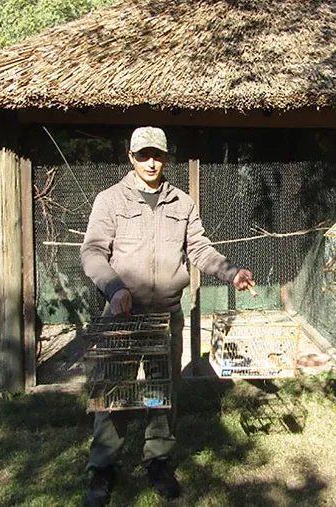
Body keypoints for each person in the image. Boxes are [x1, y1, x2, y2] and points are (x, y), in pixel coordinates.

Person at [80, 126, 256, 505]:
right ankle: (104, 468)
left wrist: (232, 272)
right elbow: (92, 252)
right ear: (131, 157)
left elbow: (200, 250)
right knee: (114, 392)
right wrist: (115, 288)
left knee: (162, 393)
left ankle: (158, 461)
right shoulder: (110, 200)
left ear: (165, 158)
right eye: (143, 155)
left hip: (166, 316)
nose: (151, 162)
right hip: (122, 315)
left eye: (157, 155)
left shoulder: (182, 203)